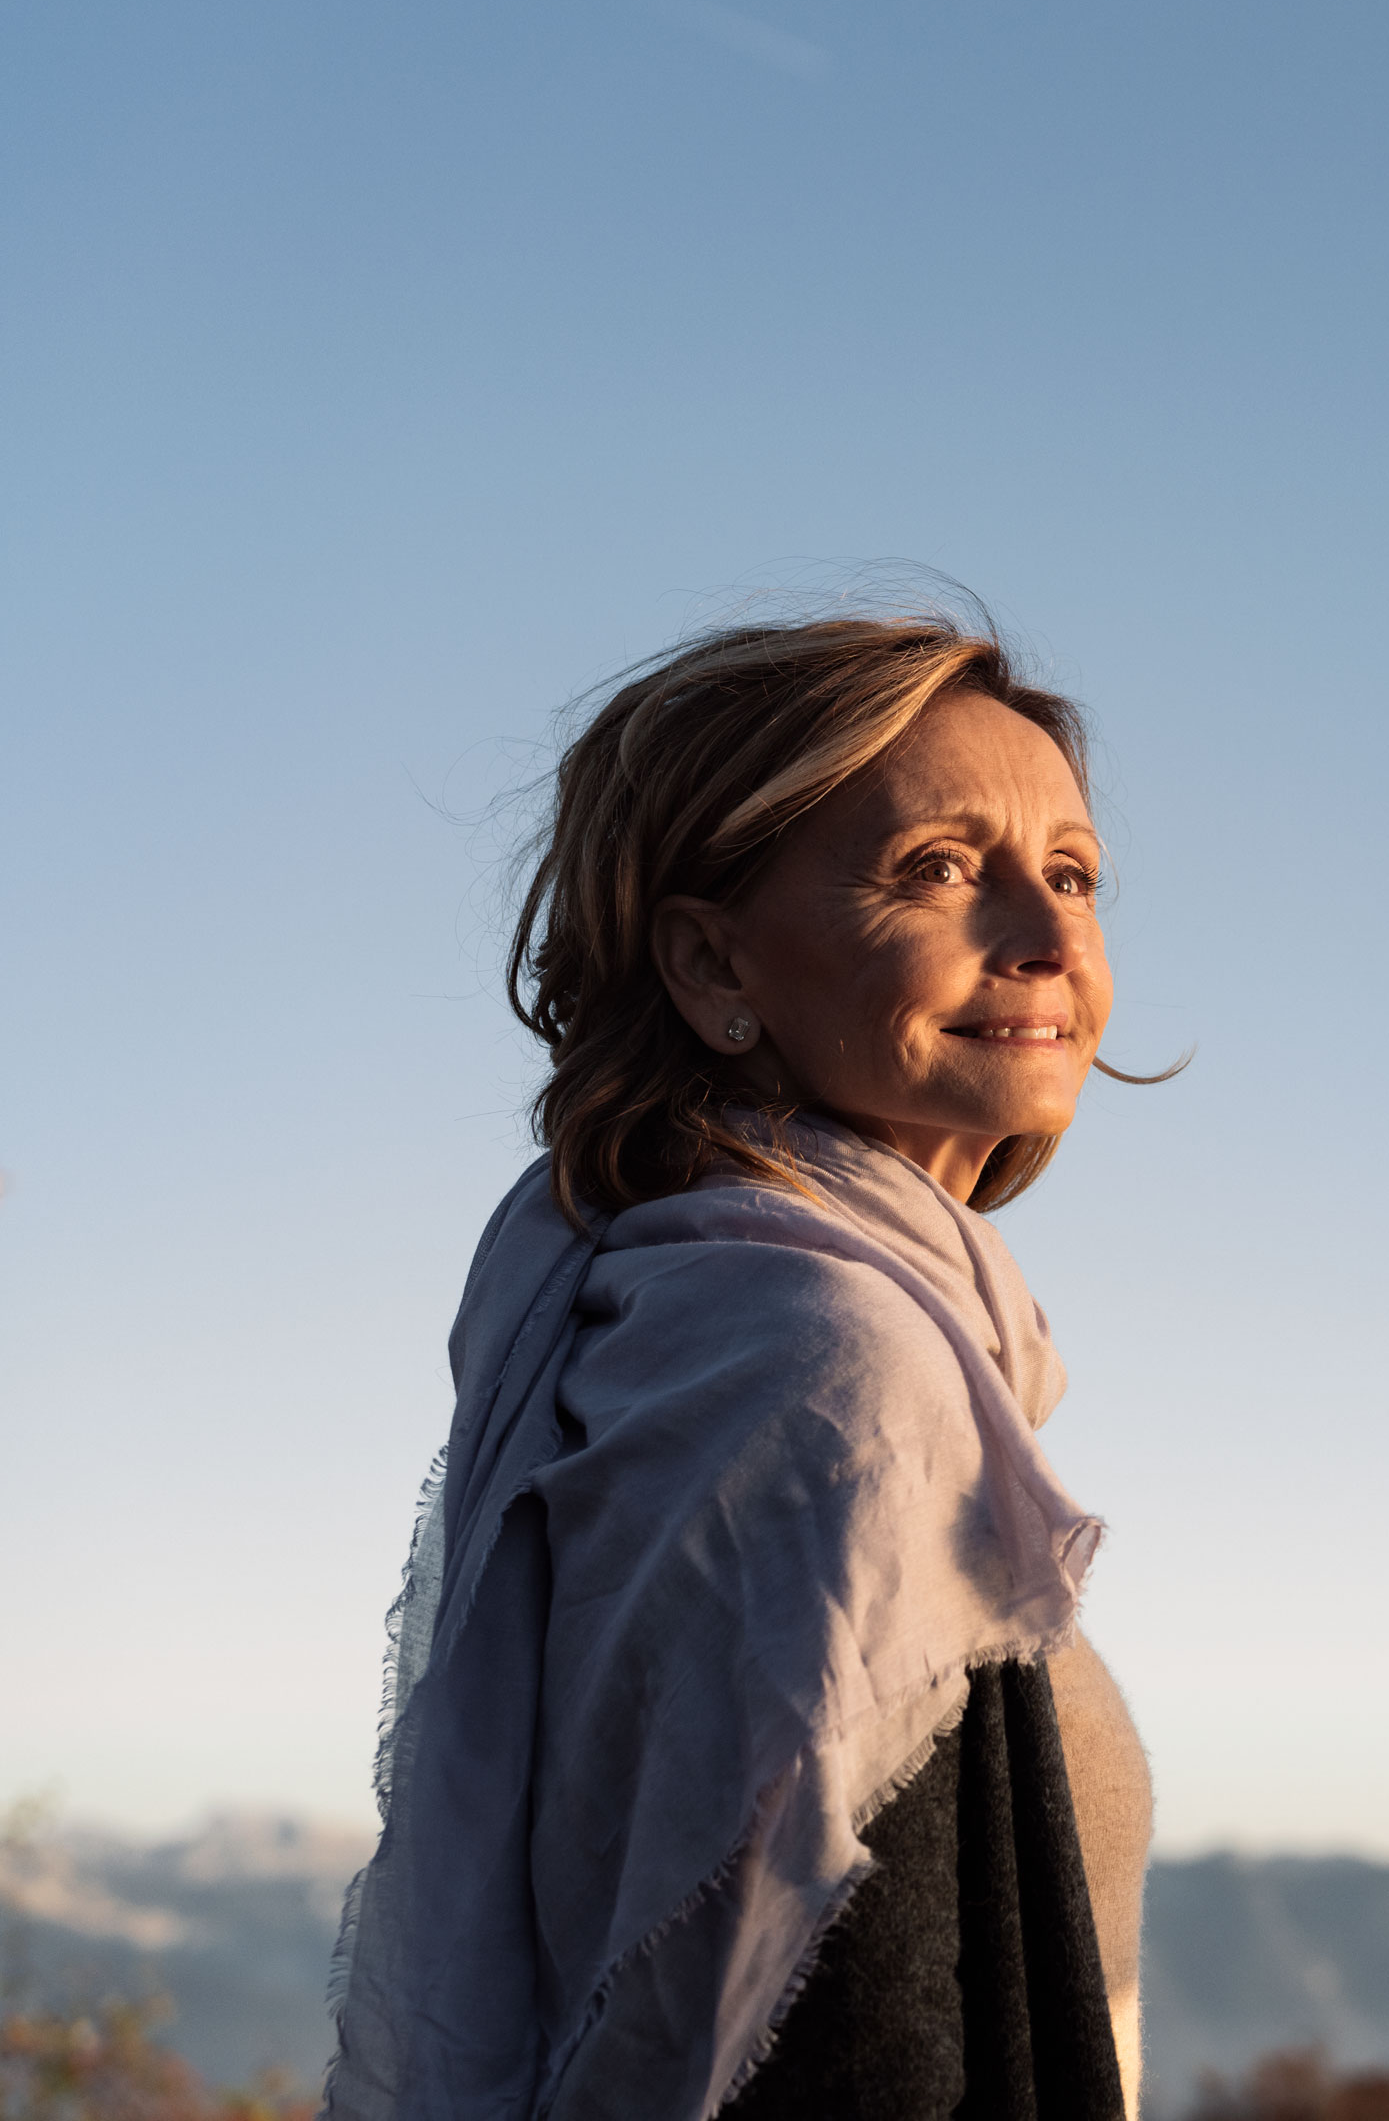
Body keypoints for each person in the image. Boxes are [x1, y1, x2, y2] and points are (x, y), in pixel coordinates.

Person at [325, 609, 1161, 2121]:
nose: (1046, 936)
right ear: (714, 959)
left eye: (1074, 873)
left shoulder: (665, 1307)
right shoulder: (833, 1377)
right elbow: (853, 2042)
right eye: (941, 869)